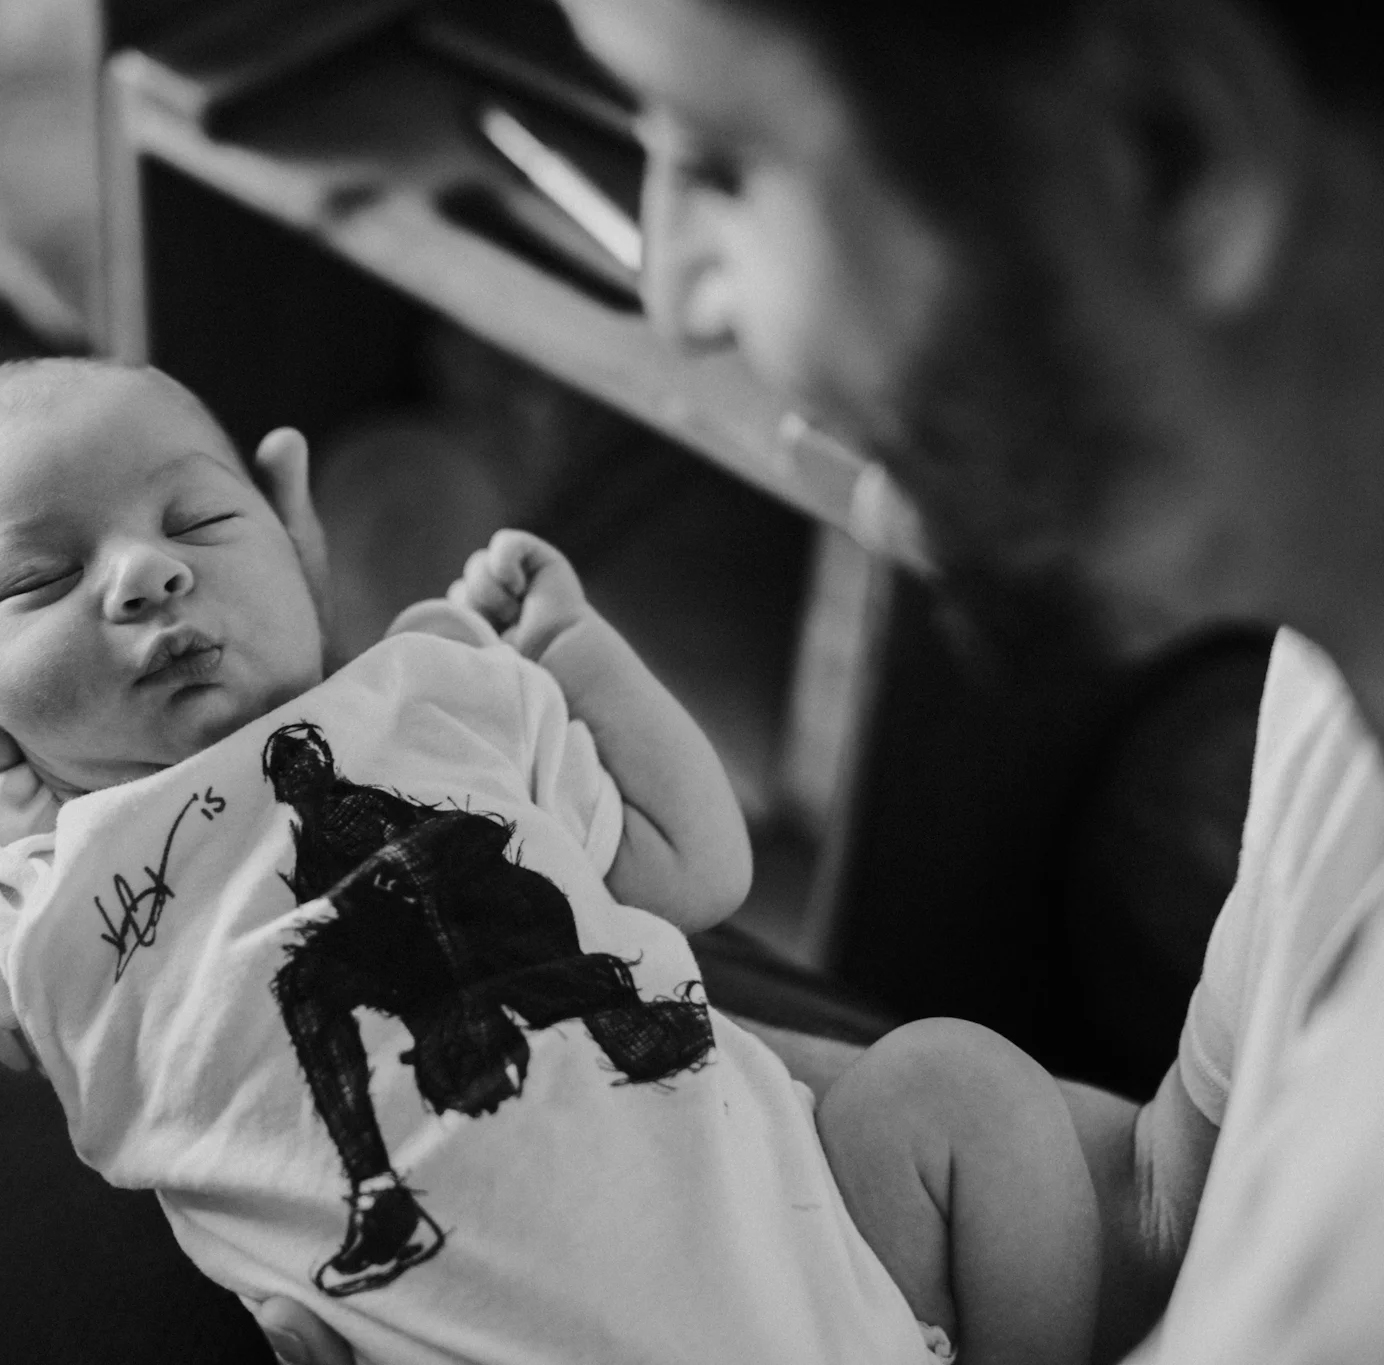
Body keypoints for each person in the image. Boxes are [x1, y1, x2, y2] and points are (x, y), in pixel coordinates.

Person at [189, 1, 1382, 1361]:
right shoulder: (1338, 688)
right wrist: (609, 1182)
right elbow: (1171, 1217)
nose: (673, 294)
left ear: (1169, 150)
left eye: (721, 164)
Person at [0, 356, 1101, 1362]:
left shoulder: (436, 689)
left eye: (199, 522)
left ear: (293, 539)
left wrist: (580, 658)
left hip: (819, 1264)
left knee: (962, 1086)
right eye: (37, 580)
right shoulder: (32, 889)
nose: (145, 573)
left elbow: (693, 868)